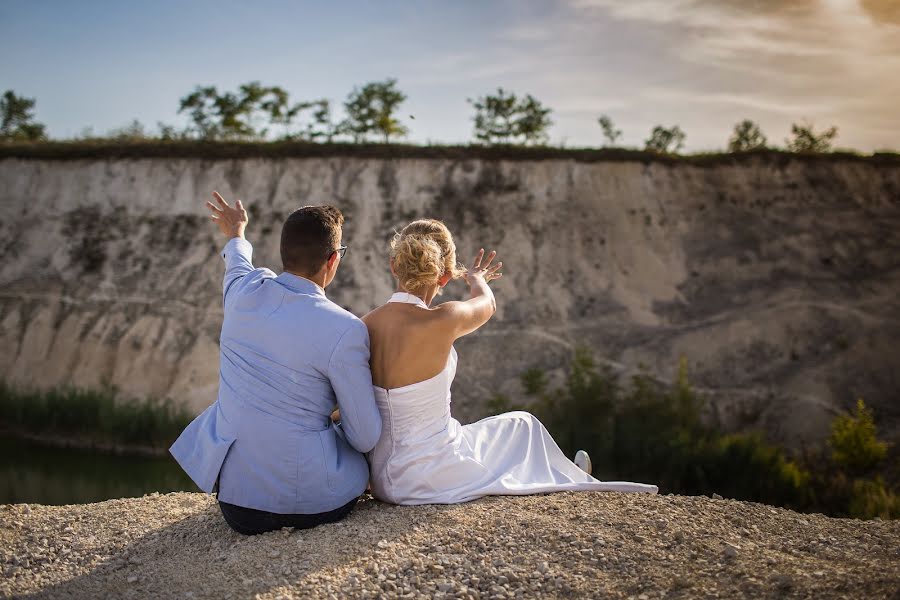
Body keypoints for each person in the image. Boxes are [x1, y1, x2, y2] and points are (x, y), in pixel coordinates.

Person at [363, 219, 658, 504]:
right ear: (444, 275)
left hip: (383, 479)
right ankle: (569, 477)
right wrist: (476, 279)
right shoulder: (446, 318)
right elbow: (487, 304)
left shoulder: (364, 325)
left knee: (488, 435)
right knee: (522, 425)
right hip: (430, 475)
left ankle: (564, 475)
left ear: (393, 266)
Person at [170, 192, 382, 535]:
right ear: (332, 260)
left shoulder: (243, 293)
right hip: (316, 505)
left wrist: (237, 232)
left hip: (239, 509)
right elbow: (366, 436)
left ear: (285, 254)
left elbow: (237, 262)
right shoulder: (346, 328)